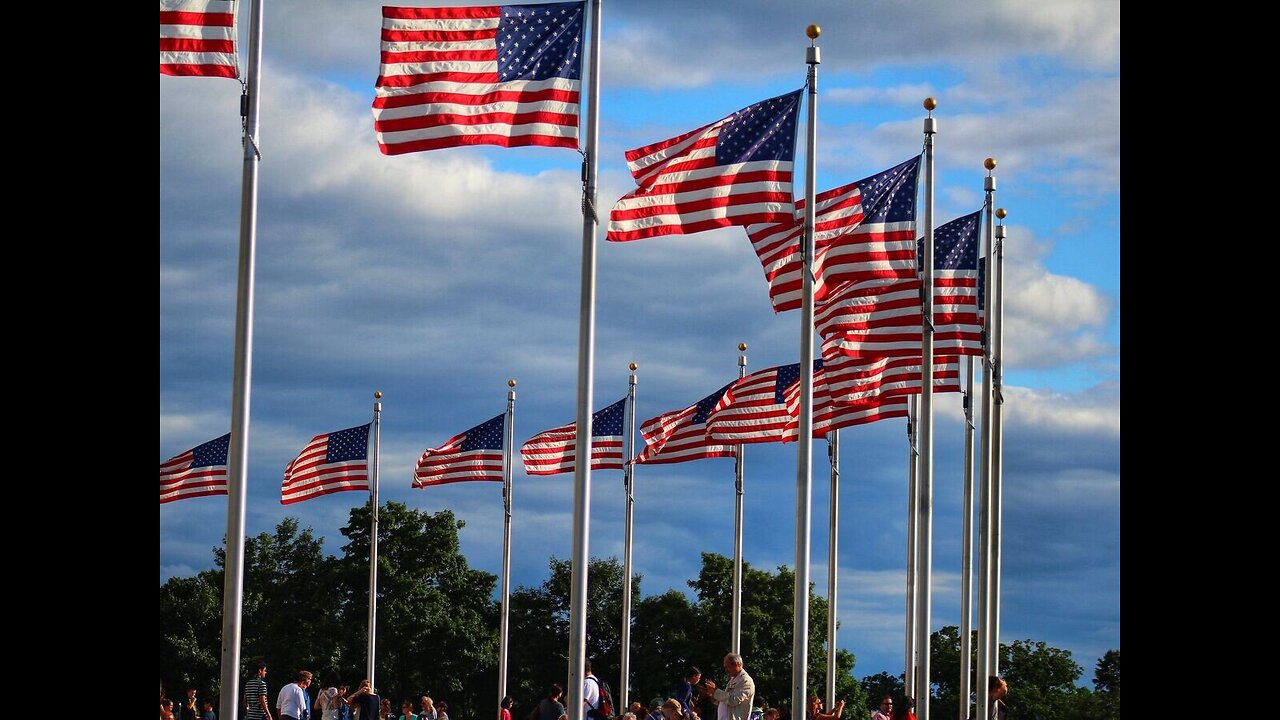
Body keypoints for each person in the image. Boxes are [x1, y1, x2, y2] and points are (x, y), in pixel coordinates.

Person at [700, 654, 755, 720]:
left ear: (737, 664)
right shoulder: (733, 679)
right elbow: (725, 700)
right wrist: (712, 694)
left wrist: (715, 691)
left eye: (727, 667)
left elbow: (733, 700)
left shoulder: (746, 681)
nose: (726, 670)